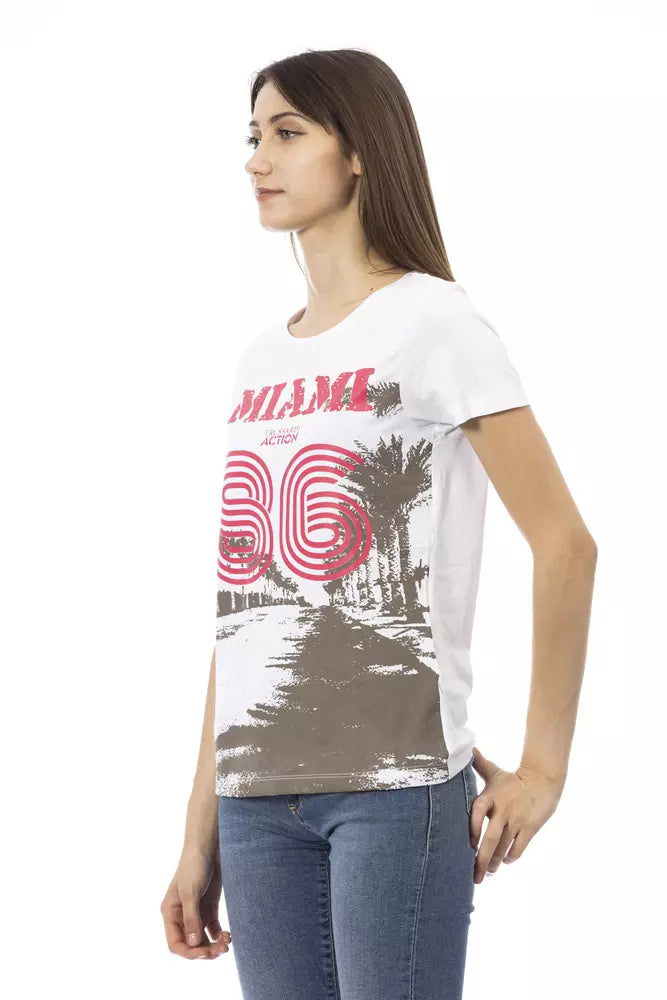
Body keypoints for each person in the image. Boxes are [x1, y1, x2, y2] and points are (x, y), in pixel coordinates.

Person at [161, 49, 597, 999]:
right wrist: (199, 830)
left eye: (287, 133)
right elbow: (251, 603)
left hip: (394, 791)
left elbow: (565, 544)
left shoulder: (435, 323)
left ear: (357, 150)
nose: (256, 160)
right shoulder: (260, 360)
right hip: (256, 801)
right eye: (253, 135)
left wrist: (542, 771)